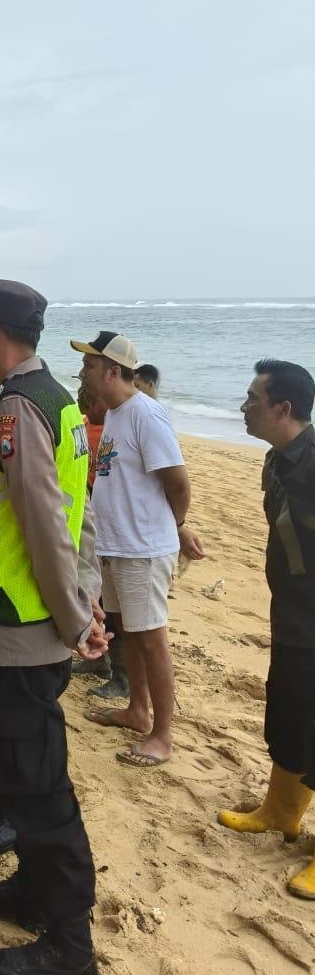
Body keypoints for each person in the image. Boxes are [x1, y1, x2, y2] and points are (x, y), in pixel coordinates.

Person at [0, 280, 108, 975]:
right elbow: (80, 511)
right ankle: (32, 893)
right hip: (27, 619)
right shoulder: (59, 400)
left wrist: (75, 618)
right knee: (20, 776)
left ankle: (71, 950)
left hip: (19, 624)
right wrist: (87, 598)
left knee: (38, 789)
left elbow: (44, 518)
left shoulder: (15, 407)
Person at [74, 331, 204, 766]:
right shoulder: (115, 412)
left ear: (114, 370)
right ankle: (136, 710)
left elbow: (179, 485)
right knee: (129, 633)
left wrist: (175, 527)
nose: (83, 372)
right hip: (116, 545)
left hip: (142, 549)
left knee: (152, 641)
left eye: (90, 365)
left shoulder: (146, 414)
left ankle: (162, 735)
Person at [218, 359, 315, 900]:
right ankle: (280, 811)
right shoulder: (277, 461)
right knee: (290, 714)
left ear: (283, 408)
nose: (244, 405)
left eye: (253, 398)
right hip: (294, 617)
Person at [71, 385, 129, 698]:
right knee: (99, 597)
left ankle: (121, 675)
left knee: (116, 609)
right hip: (92, 516)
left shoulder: (114, 432)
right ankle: (99, 661)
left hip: (111, 525)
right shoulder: (85, 428)